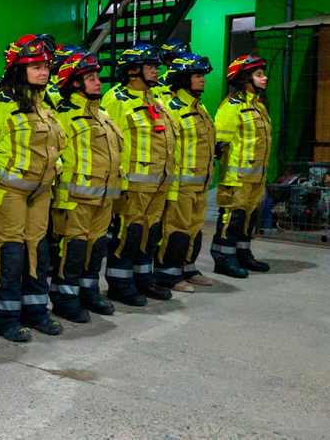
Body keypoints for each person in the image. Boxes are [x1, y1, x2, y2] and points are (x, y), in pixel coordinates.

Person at [0, 34, 65, 342]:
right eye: (35, 67)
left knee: (38, 252)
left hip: (39, 193)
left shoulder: (45, 104)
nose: (43, 72)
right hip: (6, 193)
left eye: (46, 66)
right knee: (11, 254)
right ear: (18, 69)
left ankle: (36, 312)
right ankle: (4, 318)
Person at [49, 53, 123, 322]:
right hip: (74, 199)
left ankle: (89, 293)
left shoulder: (102, 115)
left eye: (97, 77)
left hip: (103, 198)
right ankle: (64, 299)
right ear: (75, 84)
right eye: (90, 78)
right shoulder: (64, 115)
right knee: (74, 249)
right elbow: (52, 154)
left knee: (97, 247)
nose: (97, 82)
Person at [101, 44, 177, 307]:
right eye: (150, 66)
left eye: (156, 66)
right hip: (131, 185)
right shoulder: (116, 100)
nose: (156, 70)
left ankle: (144, 278)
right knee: (128, 234)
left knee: (150, 232)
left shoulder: (155, 100)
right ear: (133, 71)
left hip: (158, 184)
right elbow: (109, 144)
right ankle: (120, 284)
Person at [154, 53, 216, 291]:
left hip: (200, 184)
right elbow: (169, 150)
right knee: (176, 230)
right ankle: (168, 274)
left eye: (202, 76)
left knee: (194, 228)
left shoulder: (200, 108)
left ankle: (188, 267)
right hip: (180, 184)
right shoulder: (171, 110)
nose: (202, 80)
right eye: (197, 76)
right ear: (182, 79)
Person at [211, 55, 272, 277]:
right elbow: (218, 144)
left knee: (249, 218)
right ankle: (223, 259)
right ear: (244, 79)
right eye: (258, 75)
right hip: (236, 176)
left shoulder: (259, 107)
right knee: (232, 218)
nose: (264, 78)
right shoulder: (232, 106)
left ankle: (243, 255)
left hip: (256, 177)